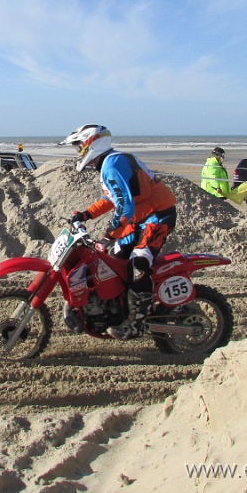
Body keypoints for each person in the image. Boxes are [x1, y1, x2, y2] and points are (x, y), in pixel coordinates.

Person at [62, 124, 177, 338]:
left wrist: (110, 234)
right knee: (113, 261)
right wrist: (86, 215)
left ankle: (137, 323)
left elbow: (125, 206)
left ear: (91, 143)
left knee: (139, 262)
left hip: (158, 216)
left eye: (79, 147)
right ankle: (118, 308)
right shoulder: (109, 162)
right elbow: (111, 199)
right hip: (139, 217)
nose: (78, 152)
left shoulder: (112, 164)